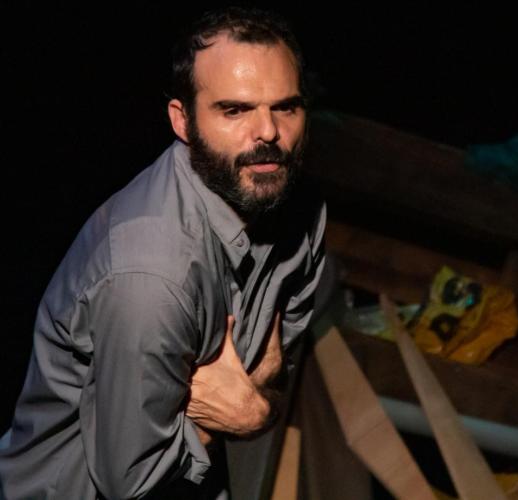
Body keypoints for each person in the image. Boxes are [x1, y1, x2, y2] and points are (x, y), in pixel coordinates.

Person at [0, 6, 326, 499]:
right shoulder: (150, 276)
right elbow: (131, 482)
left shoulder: (301, 211)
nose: (267, 133)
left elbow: (277, 375)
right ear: (183, 120)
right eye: (234, 110)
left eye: (285, 107)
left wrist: (256, 404)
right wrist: (244, 414)